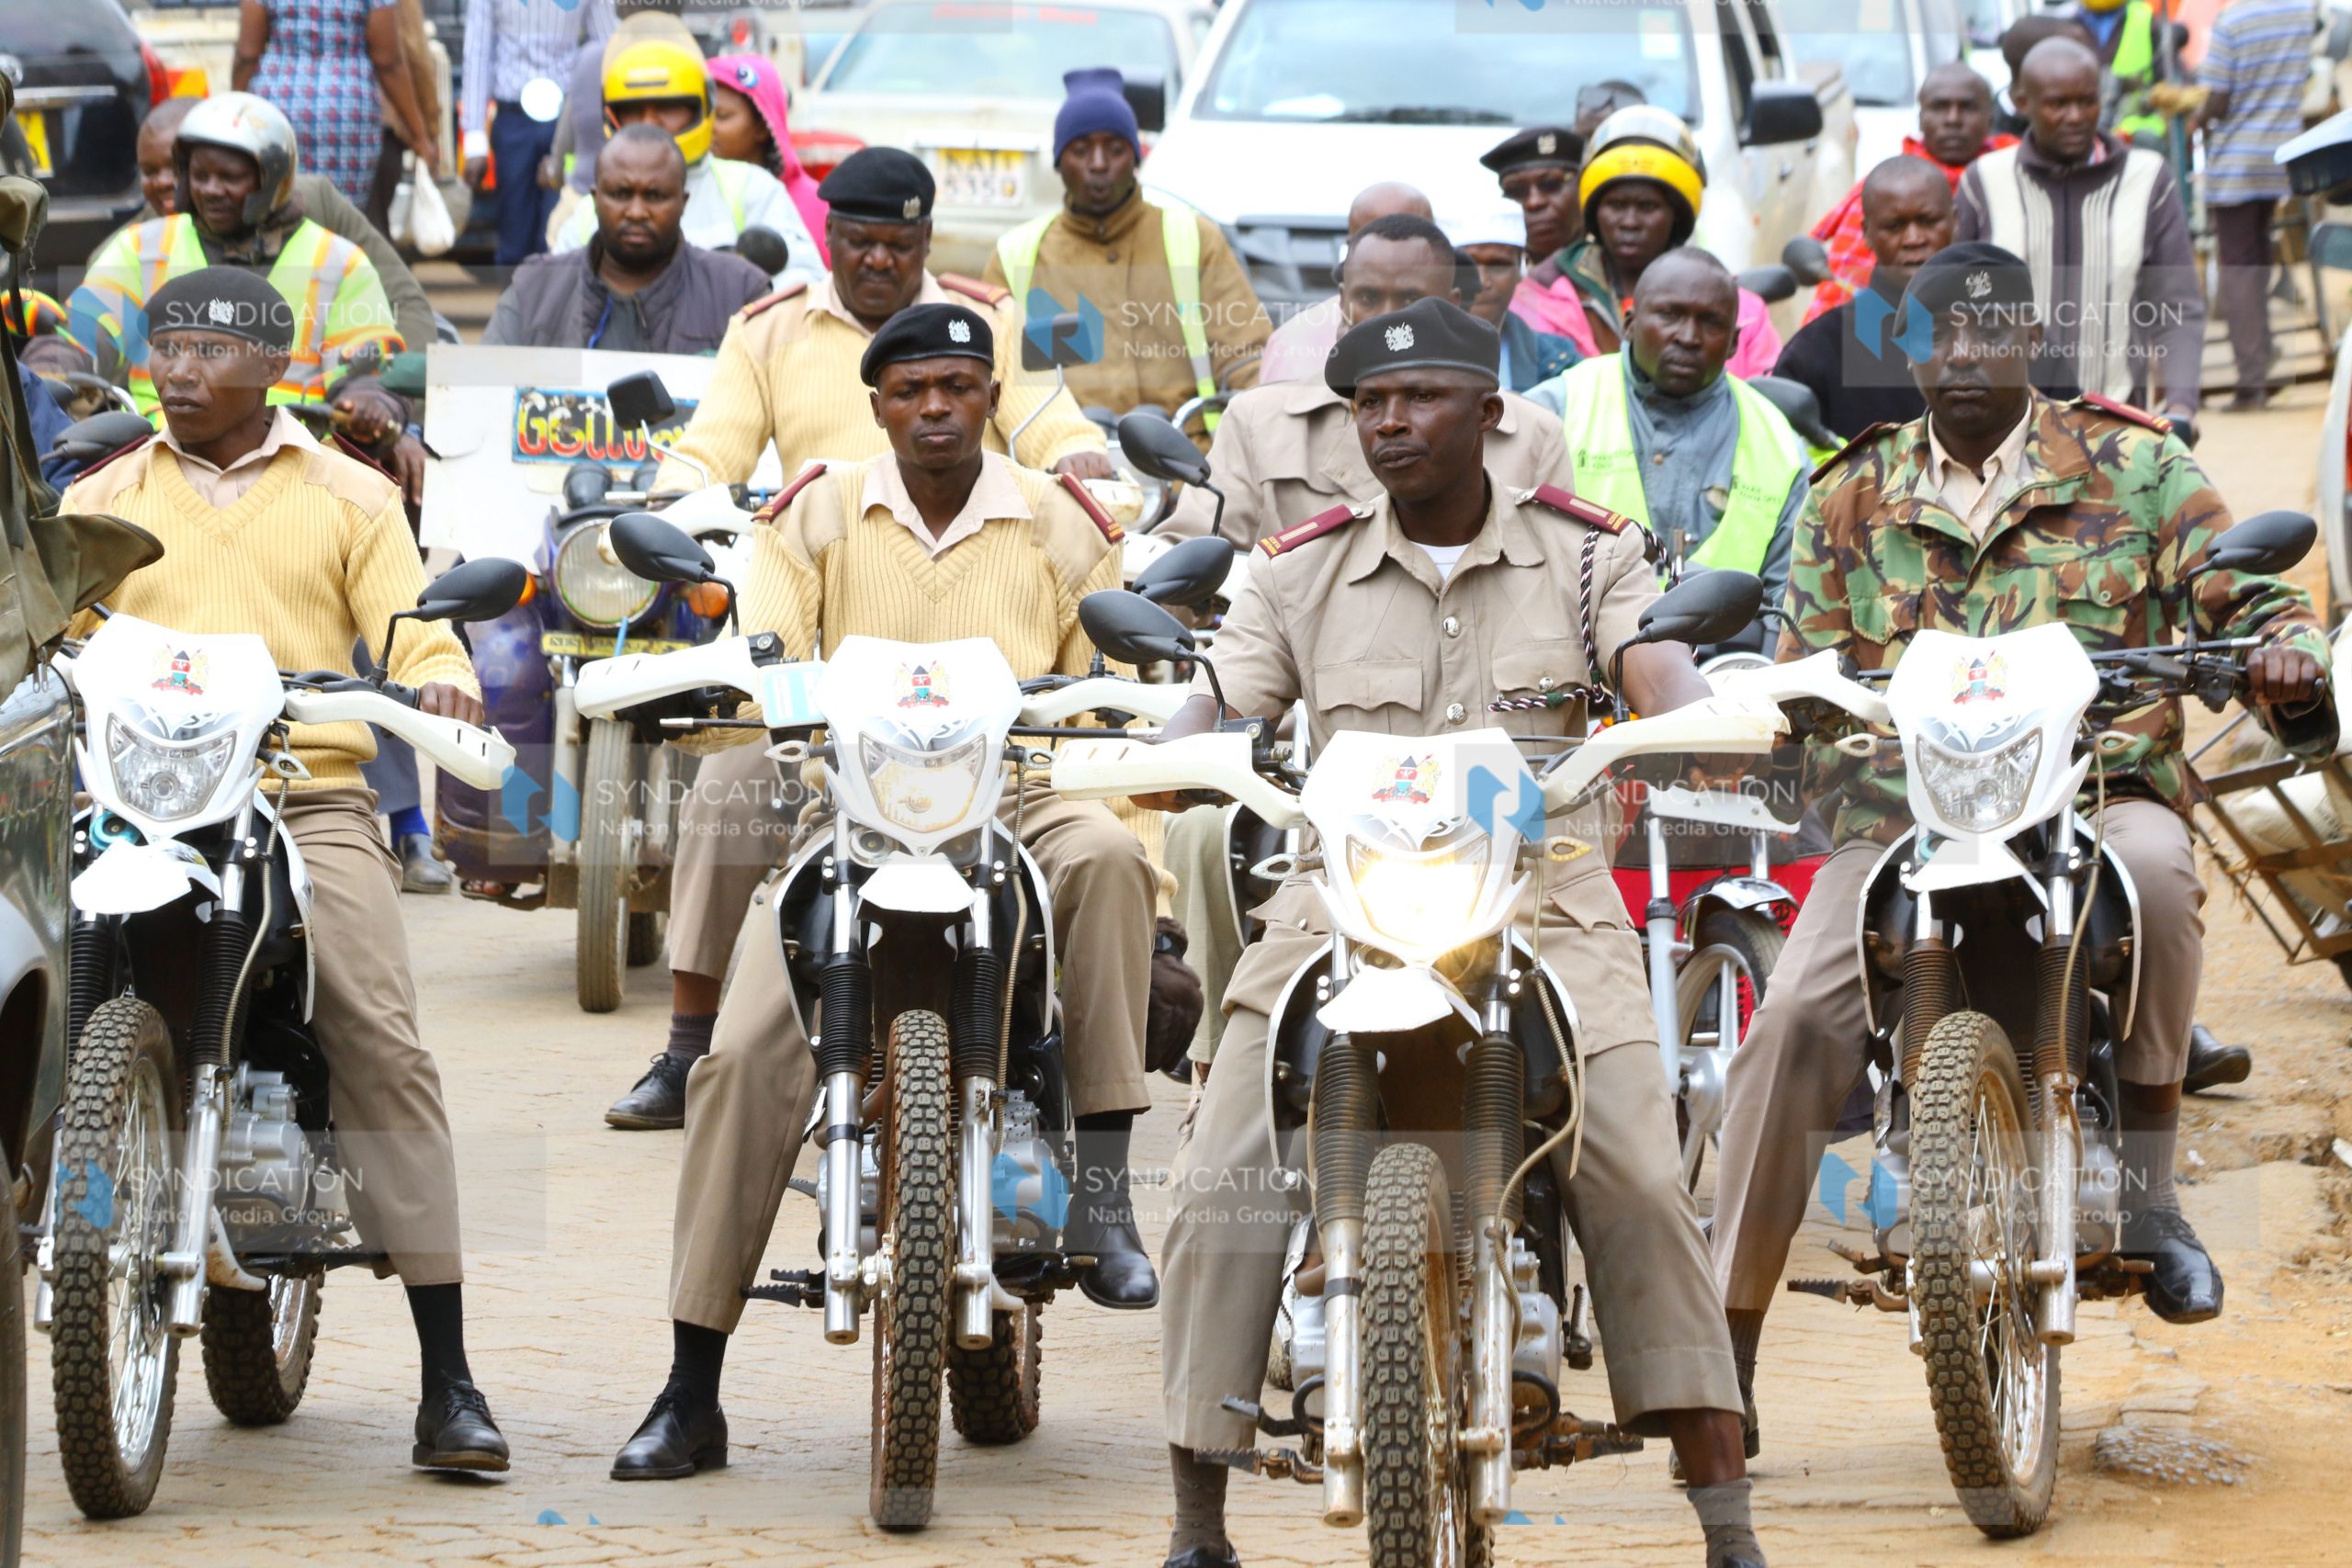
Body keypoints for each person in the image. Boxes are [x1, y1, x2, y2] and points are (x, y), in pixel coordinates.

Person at [1150, 297, 1766, 1568]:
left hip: (1545, 896)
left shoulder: (1589, 553)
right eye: (1369, 403)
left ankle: (1726, 1515)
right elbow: (1224, 694)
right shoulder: (1296, 565)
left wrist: (1687, 709)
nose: (1389, 424)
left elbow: (1651, 663)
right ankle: (1196, 1513)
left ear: (1491, 415)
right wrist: (1172, 743)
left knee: (1644, 1175)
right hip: (1339, 902)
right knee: (1218, 1175)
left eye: (1420, 398)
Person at [1709, 243, 2333, 1457]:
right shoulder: (1853, 491)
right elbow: (1798, 653)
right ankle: (1722, 1341)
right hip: (1902, 814)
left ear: (2032, 340)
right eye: (1939, 335)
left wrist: (2286, 643)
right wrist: (1773, 710)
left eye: (1989, 333)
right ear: (1908, 346)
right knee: (1791, 1017)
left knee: (2158, 879)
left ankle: (2151, 1196)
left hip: (2101, 790)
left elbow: (2239, 590)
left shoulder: (2137, 462)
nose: (1963, 356)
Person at [607, 302, 1163, 1480]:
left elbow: (1105, 695)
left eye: (959, 387)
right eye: (911, 392)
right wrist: (753, 689)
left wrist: (1106, 722)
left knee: (1107, 857)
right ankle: (690, 1388)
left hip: (1014, 798)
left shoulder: (1065, 525)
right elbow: (767, 654)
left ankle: (1102, 1196)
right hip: (850, 815)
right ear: (877, 406)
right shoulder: (808, 510)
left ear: (991, 396)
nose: (935, 410)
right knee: (743, 1062)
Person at [58, 265, 512, 1473]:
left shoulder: (351, 494)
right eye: (166, 348)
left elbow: (415, 624)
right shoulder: (107, 490)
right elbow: (56, 623)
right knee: (33, 991)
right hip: (134, 794)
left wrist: (439, 669)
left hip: (301, 789)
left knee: (379, 1028)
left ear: (270, 365)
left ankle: (448, 1372)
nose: (179, 370)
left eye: (207, 350)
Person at [599, 146, 1112, 1133]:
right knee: (733, 781)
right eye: (859, 242)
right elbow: (714, 441)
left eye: (899, 244)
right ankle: (690, 1045)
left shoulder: (990, 322)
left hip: (980, 639)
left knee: (1096, 827)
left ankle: (1083, 1102)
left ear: (926, 243)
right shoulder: (772, 332)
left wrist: (1078, 453)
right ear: (825, 235)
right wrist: (682, 489)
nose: (878, 261)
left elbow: (1050, 421)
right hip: (832, 604)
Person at [1156, 213, 1574, 548]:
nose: (1386, 318)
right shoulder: (1259, 423)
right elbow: (1187, 551)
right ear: (1342, 304)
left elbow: (1564, 579)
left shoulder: (1532, 434)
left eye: (1411, 301)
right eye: (1368, 298)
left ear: (1453, 305)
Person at [71, 94, 409, 459]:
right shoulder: (140, 248)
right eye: (200, 176)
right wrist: (57, 357)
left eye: (229, 178)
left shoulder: (338, 261)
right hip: (159, 454)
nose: (211, 190)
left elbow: (367, 356)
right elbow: (85, 329)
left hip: (293, 460)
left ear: (273, 180)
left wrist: (368, 398)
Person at [1539, 249, 1804, 649]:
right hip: (1577, 672)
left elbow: (1787, 610)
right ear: (1629, 323)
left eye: (1710, 322)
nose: (1688, 336)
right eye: (1669, 315)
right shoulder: (1555, 409)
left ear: (1734, 342)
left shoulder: (1780, 445)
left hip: (1725, 687)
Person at [985, 68, 1269, 438]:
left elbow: (1247, 358)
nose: (1099, 163)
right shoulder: (1015, 257)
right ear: (1059, 162)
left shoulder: (1193, 238)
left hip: (1188, 464)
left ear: (1135, 158)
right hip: (1062, 469)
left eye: (1115, 148)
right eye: (1081, 149)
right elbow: (990, 382)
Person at [1955, 37, 2205, 435]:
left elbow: (2177, 305)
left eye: (2087, 101)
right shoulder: (1984, 183)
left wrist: (2181, 403)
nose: (2075, 116)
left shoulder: (2148, 180)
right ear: (2022, 103)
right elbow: (1953, 310)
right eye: (2057, 104)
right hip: (2007, 435)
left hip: (2118, 433)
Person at [129, 96, 437, 373]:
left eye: (227, 174)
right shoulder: (146, 234)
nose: (166, 184)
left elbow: (405, 301)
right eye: (150, 171)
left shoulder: (317, 205)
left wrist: (393, 399)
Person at [548, 36, 821, 289]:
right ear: (612, 118)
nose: (650, 123)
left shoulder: (751, 188)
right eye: (633, 111)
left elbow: (803, 283)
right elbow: (554, 303)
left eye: (667, 108)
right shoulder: (587, 214)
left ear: (701, 109)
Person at [481, 124, 768, 353]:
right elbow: (485, 403)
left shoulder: (740, 292)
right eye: (621, 194)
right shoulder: (534, 289)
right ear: (595, 199)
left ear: (683, 202)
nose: (636, 211)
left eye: (655, 196)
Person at [1547, 107, 1782, 377]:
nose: (1630, 222)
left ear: (1677, 215)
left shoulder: (1744, 312)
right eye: (1616, 205)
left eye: (1647, 207)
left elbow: (1767, 398)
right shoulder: (1547, 299)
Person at [1801, 63, 2014, 321]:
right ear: (1921, 118)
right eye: (1939, 107)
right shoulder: (1886, 189)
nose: (1953, 119)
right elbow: (1841, 298)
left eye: (1967, 107)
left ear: (1990, 117)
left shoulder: (2016, 180)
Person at [1772, 157, 1955, 439]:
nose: (1913, 239)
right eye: (1895, 226)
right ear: (1867, 233)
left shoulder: (2003, 335)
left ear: (1955, 221)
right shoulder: (1816, 352)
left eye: (1928, 221)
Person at [2199, 0, 2315, 409]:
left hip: (2238, 160)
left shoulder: (2233, 21)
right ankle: (2263, 354)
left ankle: (2251, 380)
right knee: (2257, 252)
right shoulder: (2302, 11)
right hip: (2282, 152)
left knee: (2238, 266)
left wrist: (2195, 114)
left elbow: (2218, 100)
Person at [234, 0, 441, 210]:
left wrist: (234, 108)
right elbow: (388, 62)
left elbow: (247, 54)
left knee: (277, 207)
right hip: (347, 109)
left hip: (278, 106)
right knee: (342, 213)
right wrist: (420, 136)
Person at [457, 0, 614, 266]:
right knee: (513, 238)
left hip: (566, 120)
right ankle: (513, 305)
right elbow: (478, 49)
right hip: (513, 119)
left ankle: (556, 306)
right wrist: (475, 138)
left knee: (560, 234)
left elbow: (606, 48)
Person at [1256, 180, 1431, 384]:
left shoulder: (1464, 340)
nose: (1389, 254)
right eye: (1376, 242)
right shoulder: (1292, 343)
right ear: (1351, 247)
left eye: (1404, 241)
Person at [706, 51, 831, 265]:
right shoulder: (689, 195)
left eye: (722, 116)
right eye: (701, 115)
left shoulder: (814, 207)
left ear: (763, 125)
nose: (706, 128)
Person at [1479, 123, 1595, 344]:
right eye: (1516, 191)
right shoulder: (1488, 278)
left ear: (1582, 188)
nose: (1534, 202)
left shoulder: (1609, 277)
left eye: (1551, 184)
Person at [1446, 205, 1582, 392]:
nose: (1482, 281)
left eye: (1498, 265)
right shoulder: (1408, 351)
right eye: (1467, 266)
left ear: (1521, 270)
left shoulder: (1559, 359)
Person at [363, 0, 441, 237]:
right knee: (371, 234)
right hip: (374, 125)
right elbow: (413, 52)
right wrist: (426, 134)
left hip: (297, 120)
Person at [2070, 0, 2178, 141]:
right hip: (2086, 136)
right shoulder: (2067, 25)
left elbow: (2174, 86)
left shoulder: (2145, 19)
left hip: (2136, 137)